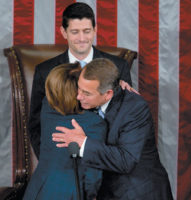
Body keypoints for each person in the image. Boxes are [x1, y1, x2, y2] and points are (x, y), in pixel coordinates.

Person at [52, 58, 173, 200]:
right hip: (103, 191)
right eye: (79, 88)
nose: (79, 96)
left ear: (108, 94)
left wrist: (83, 143)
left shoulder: (134, 108)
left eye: (87, 93)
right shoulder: (89, 95)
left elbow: (126, 160)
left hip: (137, 192)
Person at [29, 2, 135, 158]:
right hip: (62, 160)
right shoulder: (45, 71)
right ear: (63, 32)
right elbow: (36, 125)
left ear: (95, 30)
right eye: (74, 32)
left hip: (107, 160)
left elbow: (125, 122)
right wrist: (49, 160)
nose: (81, 38)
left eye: (86, 31)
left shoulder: (119, 67)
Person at [23, 62, 107, 200]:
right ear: (78, 92)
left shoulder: (47, 107)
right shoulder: (95, 124)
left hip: (37, 190)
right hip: (72, 193)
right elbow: (93, 174)